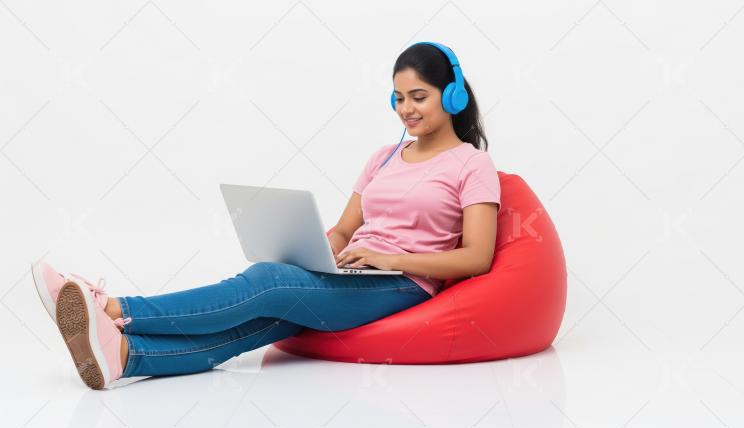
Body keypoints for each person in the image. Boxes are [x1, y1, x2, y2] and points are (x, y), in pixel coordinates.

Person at [32, 42, 502, 390]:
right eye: (398, 98)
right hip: (357, 270)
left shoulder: (470, 164)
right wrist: (315, 255)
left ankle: (115, 311)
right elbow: (342, 229)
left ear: (453, 96)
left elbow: (477, 257)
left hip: (402, 282)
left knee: (266, 284)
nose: (405, 110)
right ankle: (127, 356)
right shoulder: (383, 156)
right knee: (259, 323)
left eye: (418, 96)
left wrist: (383, 257)